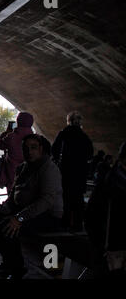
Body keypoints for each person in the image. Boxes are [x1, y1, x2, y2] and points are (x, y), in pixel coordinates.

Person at [0, 134, 63, 279]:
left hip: (47, 216)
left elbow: (46, 201)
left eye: (33, 148)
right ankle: (10, 262)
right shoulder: (23, 168)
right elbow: (14, 193)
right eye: (25, 148)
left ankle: (17, 267)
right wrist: (5, 208)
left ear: (41, 149)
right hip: (25, 211)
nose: (29, 151)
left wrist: (19, 218)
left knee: (6, 226)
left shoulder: (48, 169)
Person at [85, 142, 126, 279]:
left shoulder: (108, 180)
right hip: (114, 252)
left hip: (107, 250)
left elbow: (90, 217)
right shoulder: (114, 185)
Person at [52, 111, 93, 231]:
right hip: (80, 173)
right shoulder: (84, 137)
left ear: (68, 121)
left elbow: (54, 150)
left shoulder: (63, 134)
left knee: (66, 198)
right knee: (78, 199)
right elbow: (90, 154)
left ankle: (65, 223)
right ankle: (78, 224)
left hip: (66, 171)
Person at [0, 112, 34, 193]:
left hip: (12, 170)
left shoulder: (11, 136)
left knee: (12, 192)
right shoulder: (36, 138)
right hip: (30, 172)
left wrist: (5, 133)